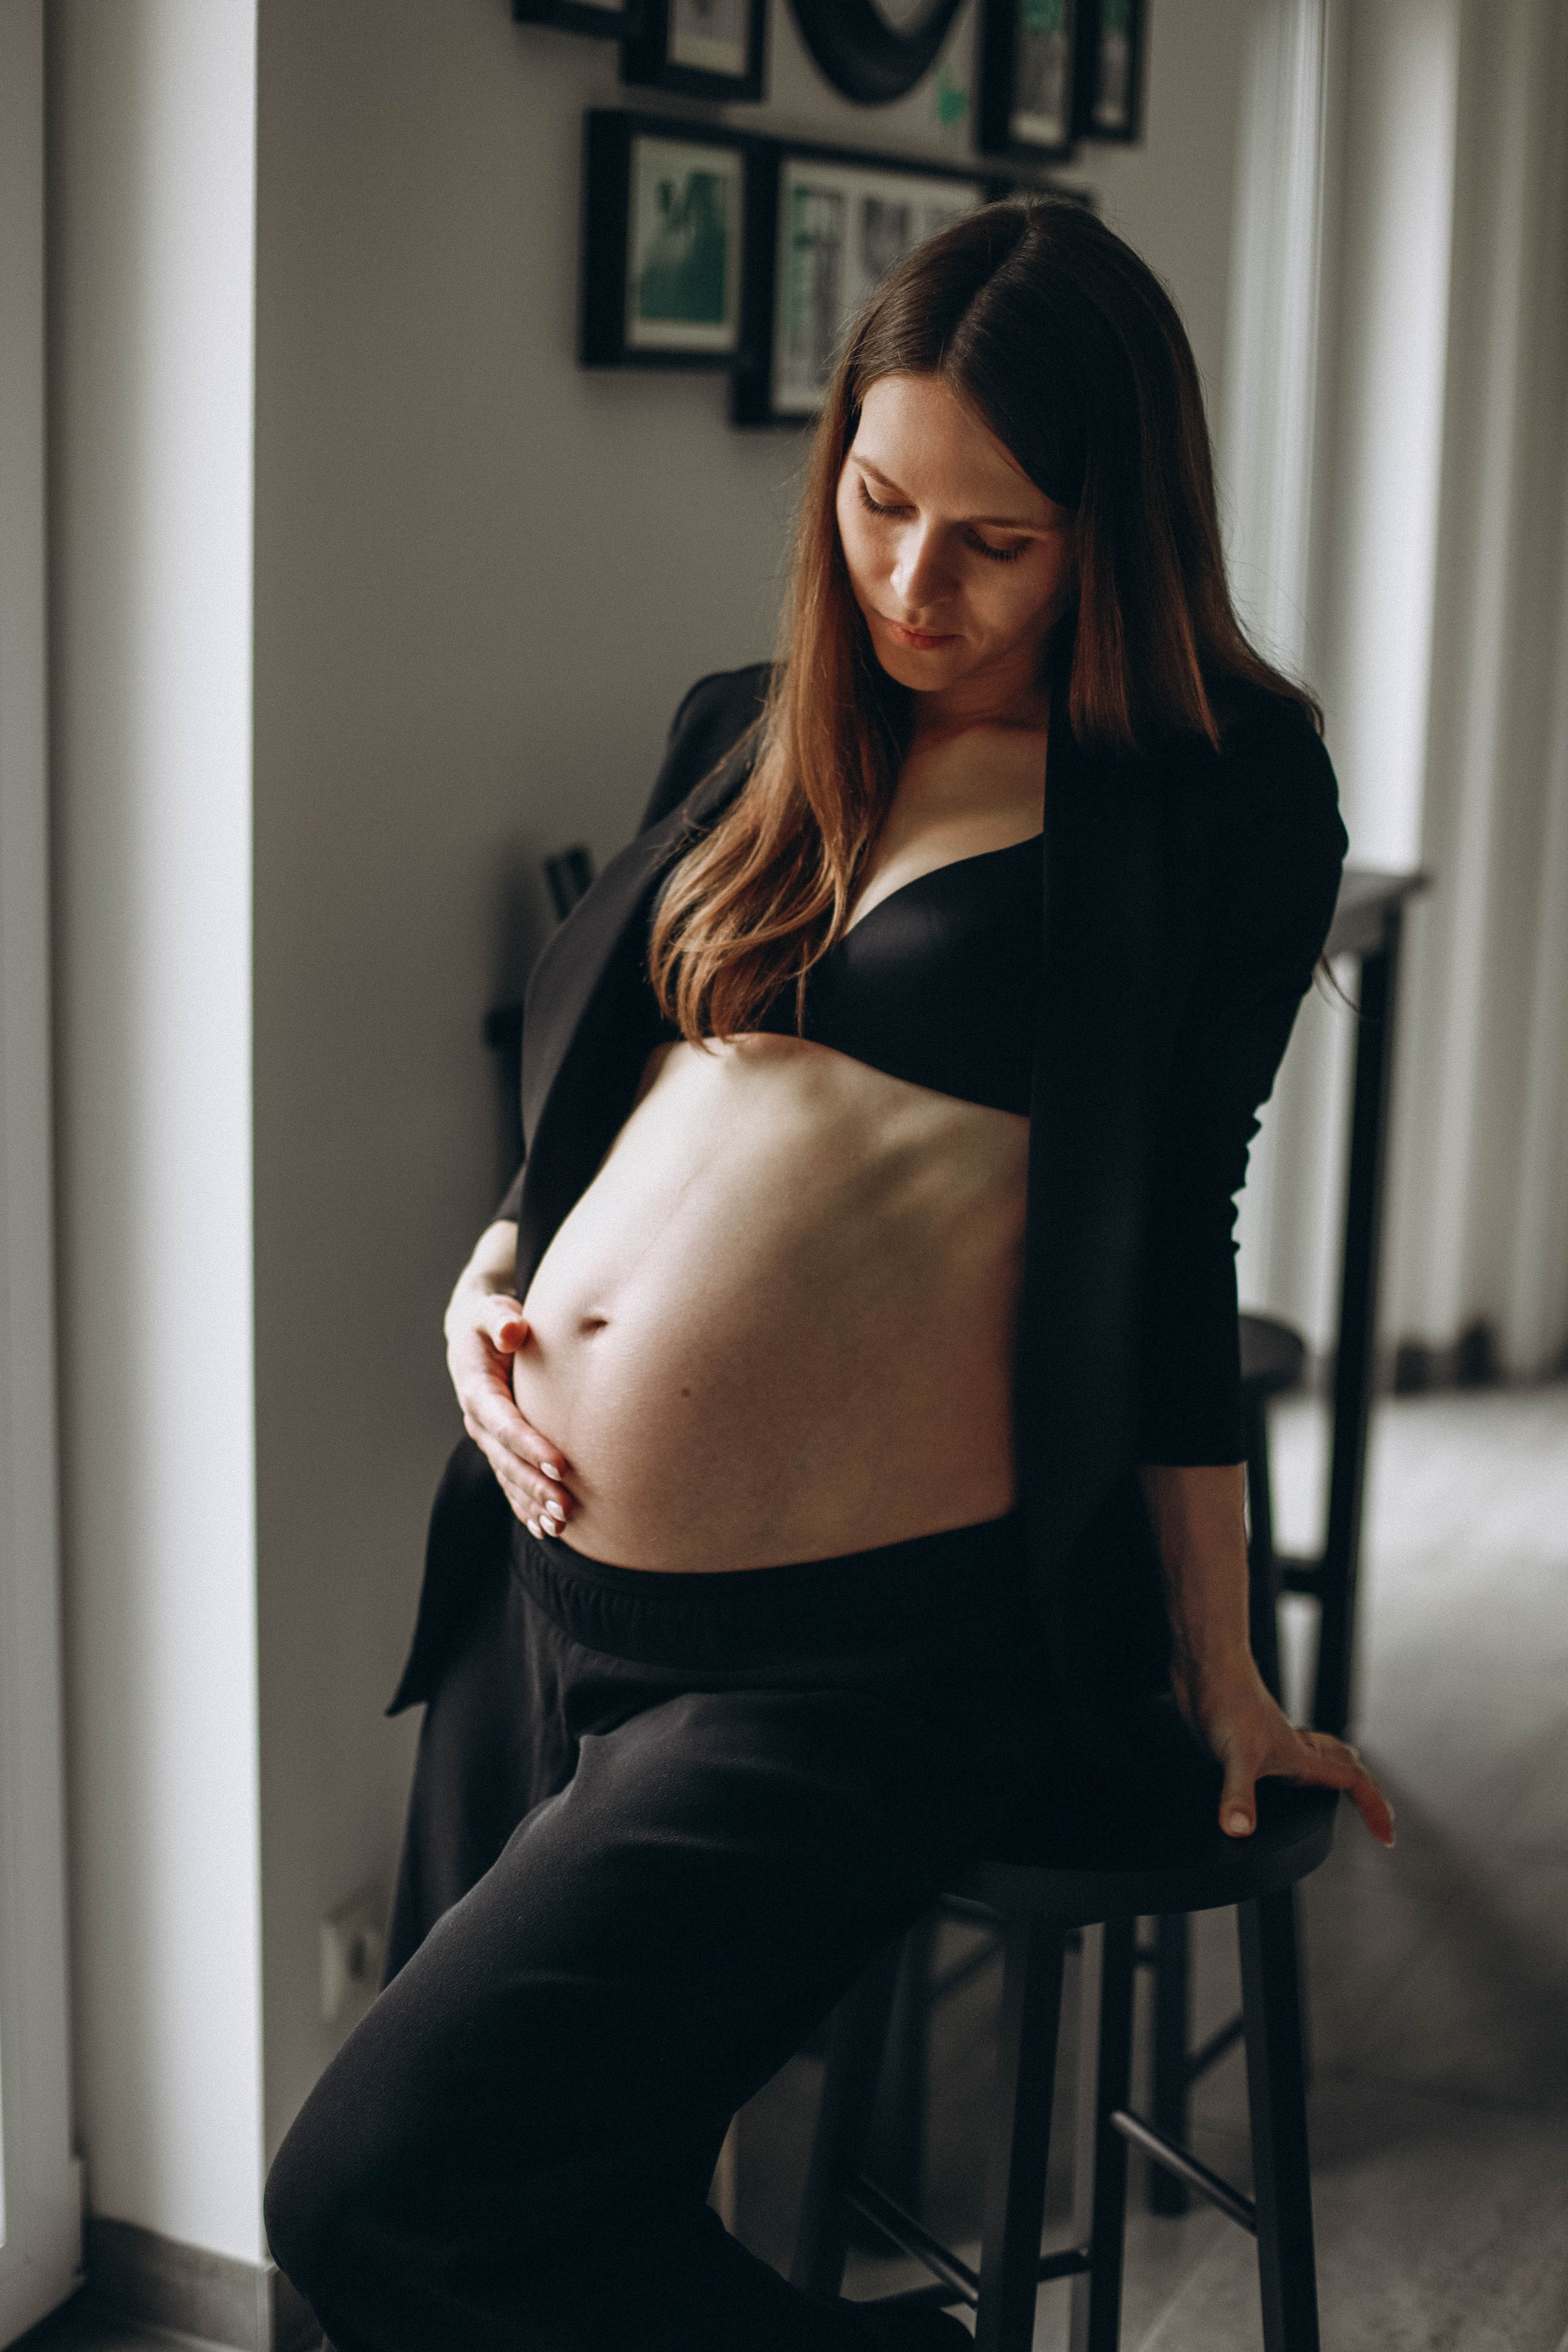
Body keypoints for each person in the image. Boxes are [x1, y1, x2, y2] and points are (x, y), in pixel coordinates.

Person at [264, 197, 1393, 2352]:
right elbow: (598, 1090)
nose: (914, 586)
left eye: (998, 540)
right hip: (543, 1588)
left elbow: (1179, 1231)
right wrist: (493, 1272)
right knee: (443, 2257)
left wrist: (1223, 1668)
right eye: (880, 503)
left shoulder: (1219, 797)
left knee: (371, 2192)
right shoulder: (751, 726)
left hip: (851, 1665)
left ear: (1116, 534)